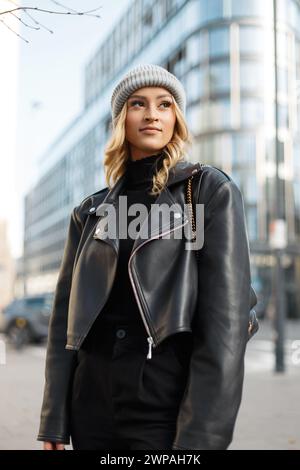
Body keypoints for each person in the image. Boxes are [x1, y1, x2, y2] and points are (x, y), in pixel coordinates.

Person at [37, 63, 253, 450]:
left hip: (163, 404)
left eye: (165, 104)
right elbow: (63, 322)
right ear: (122, 119)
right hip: (92, 404)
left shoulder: (205, 192)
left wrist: (202, 437)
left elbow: (225, 324)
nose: (152, 114)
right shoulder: (90, 212)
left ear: (176, 119)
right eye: (139, 103)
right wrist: (54, 419)